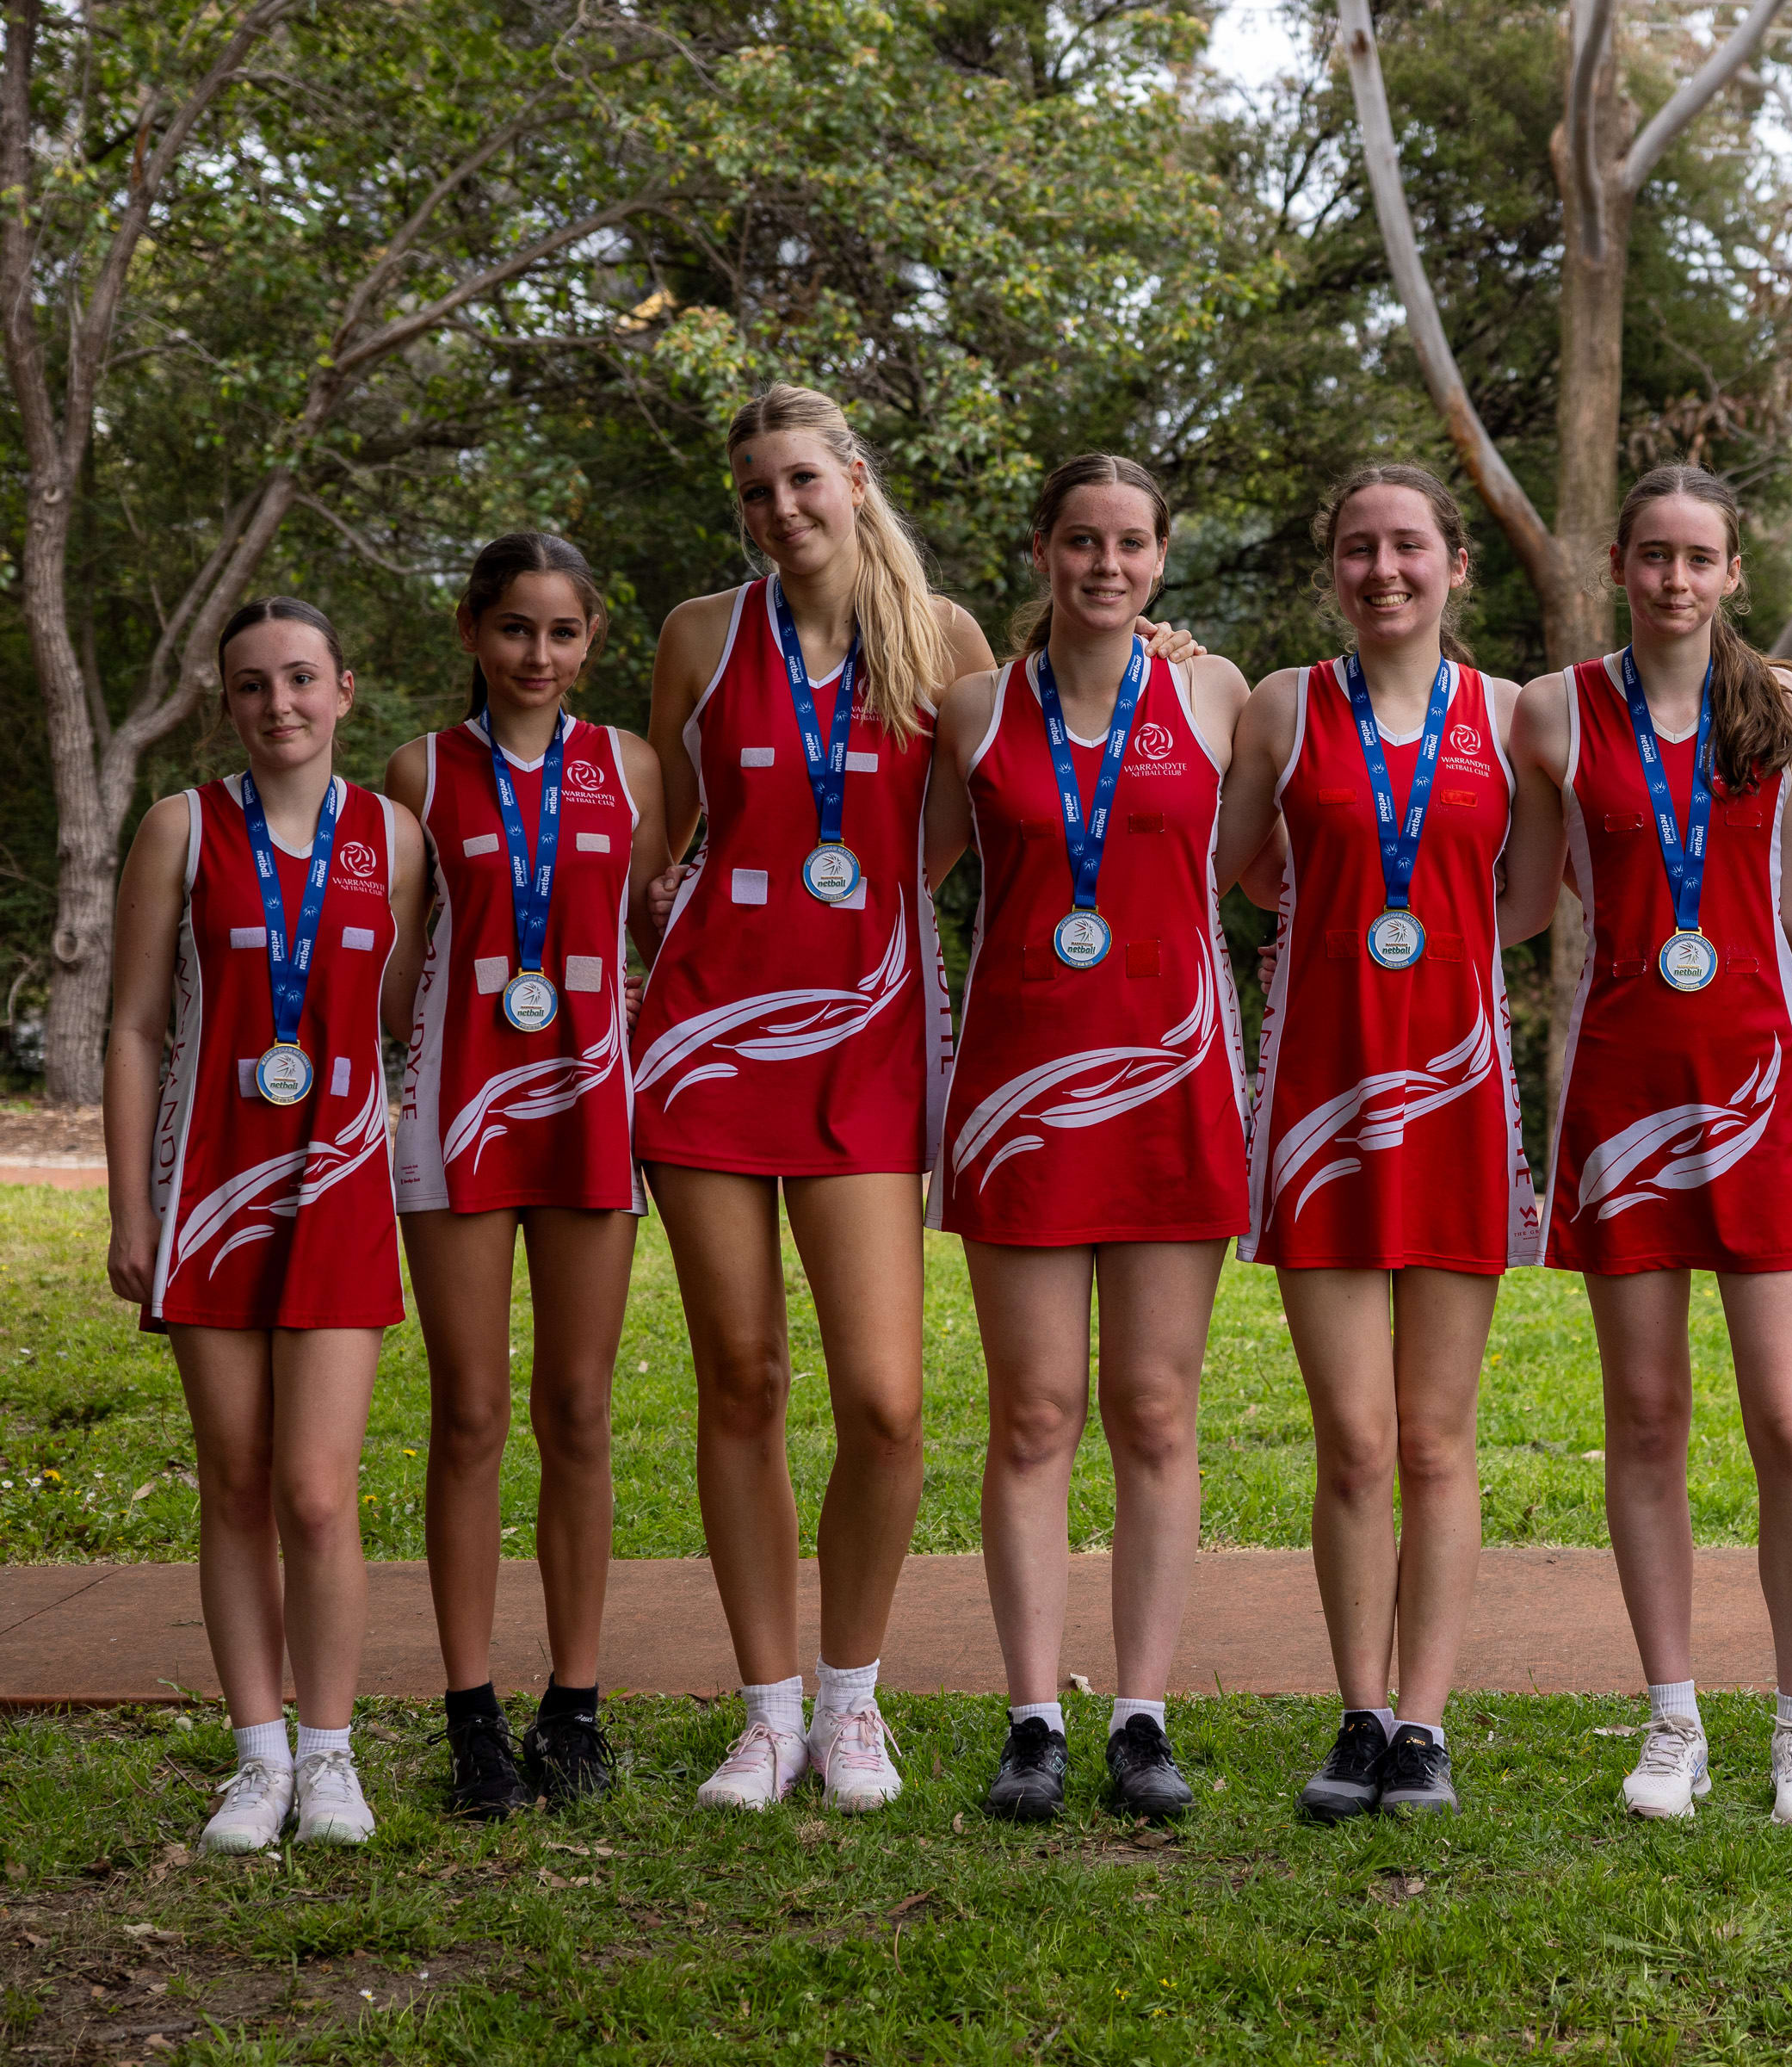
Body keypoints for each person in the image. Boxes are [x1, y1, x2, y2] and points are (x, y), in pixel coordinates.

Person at [632, 383, 995, 1814]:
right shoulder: (698, 635)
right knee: (742, 1377)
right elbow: (662, 844)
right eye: (754, 491)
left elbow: (969, 824)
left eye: (800, 479)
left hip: (866, 1039)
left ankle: (853, 1699)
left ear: (854, 475)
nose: (779, 509)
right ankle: (767, 1713)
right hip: (708, 1041)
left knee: (886, 1401)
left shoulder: (944, 639)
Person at [1512, 463, 1792, 1825]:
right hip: (1623, 1097)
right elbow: (1524, 899)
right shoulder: (1553, 709)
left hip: (1763, 1098)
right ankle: (1672, 1718)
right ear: (1617, 563)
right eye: (1652, 554)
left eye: (1698, 557)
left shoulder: (1781, 708)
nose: (1674, 578)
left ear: (1731, 572)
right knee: (1647, 1415)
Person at [1222, 462, 1561, 1819]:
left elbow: (1526, 896)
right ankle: (1358, 1712)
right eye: (1359, 548)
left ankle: (1425, 1723)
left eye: (1409, 546)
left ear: (1455, 564)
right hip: (1320, 1102)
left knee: (1435, 1437)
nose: (1384, 570)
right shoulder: (1280, 705)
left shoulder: (1513, 714)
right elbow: (1245, 868)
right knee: (1354, 1438)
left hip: (1459, 1093)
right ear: (1335, 568)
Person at [924, 456, 1254, 1823]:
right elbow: (904, 876)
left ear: (1161, 559)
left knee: (1156, 1409)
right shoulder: (970, 709)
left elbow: (1250, 863)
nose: (1105, 565)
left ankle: (1142, 1717)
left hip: (1172, 1080)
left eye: (1129, 543)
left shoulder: (1216, 693)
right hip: (1019, 1099)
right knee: (1036, 1411)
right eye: (1080, 541)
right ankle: (1033, 1719)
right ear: (1043, 552)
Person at [103, 597, 428, 1853]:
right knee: (235, 1479)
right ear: (226, 701)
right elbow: (136, 1026)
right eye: (252, 685)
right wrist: (133, 1206)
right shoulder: (179, 828)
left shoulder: (392, 837)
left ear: (344, 689)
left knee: (317, 1488)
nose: (278, 704)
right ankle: (258, 1757)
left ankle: (332, 1752)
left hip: (338, 1186)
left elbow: (398, 1014)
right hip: (210, 1186)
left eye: (300, 679)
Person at [387, 534, 664, 1818]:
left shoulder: (633, 767)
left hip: (591, 1102)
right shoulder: (418, 773)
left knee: (579, 1410)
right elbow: (394, 969)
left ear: (591, 639)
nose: (537, 654)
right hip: (459, 1107)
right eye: (514, 629)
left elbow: (655, 924)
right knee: (468, 1414)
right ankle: (473, 1719)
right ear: (471, 632)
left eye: (561, 631)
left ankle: (576, 1704)